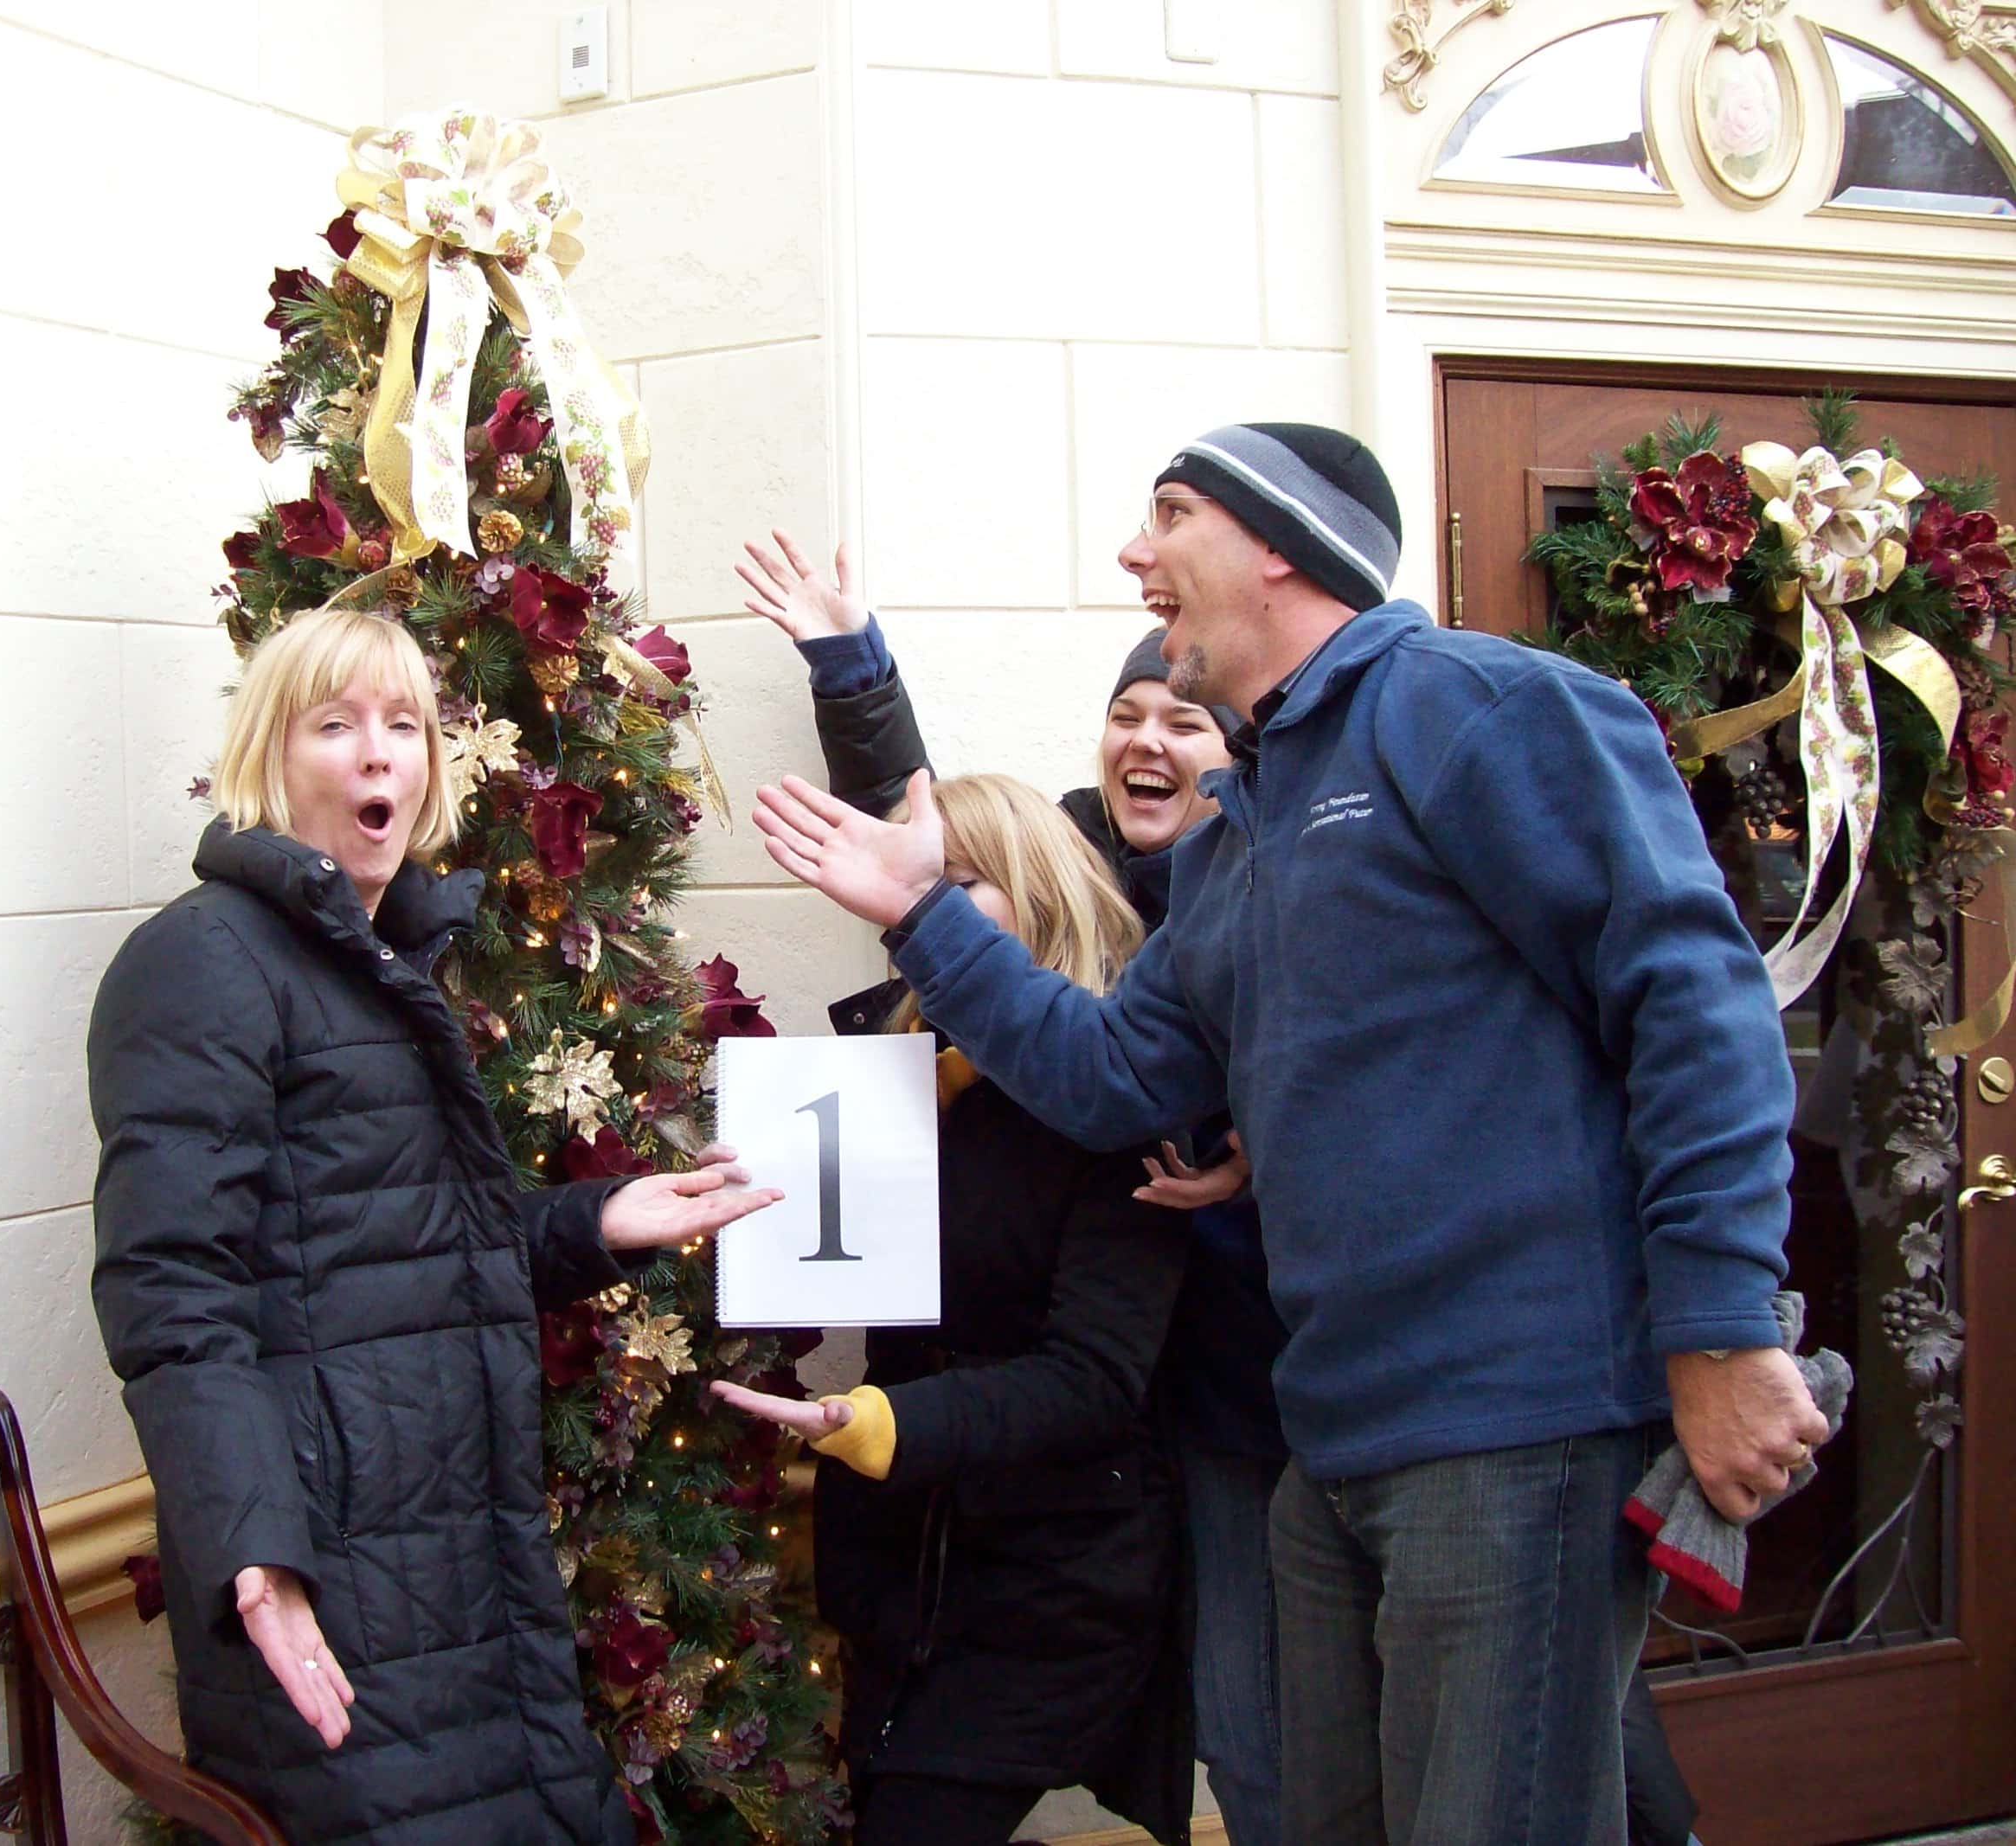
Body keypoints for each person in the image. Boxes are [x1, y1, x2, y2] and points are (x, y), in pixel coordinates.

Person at [748, 423, 1830, 1844]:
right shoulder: (1227, 835)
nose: (1135, 553)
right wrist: (923, 910)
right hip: (1329, 1436)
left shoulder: (1474, 708)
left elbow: (1694, 1008)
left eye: (1169, 514)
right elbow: (1108, 1071)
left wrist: (1717, 1329)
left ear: (1280, 543)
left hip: (1517, 1421)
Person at [87, 606, 780, 1845]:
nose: (379, 754)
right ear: (270, 753)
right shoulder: (200, 960)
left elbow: (390, 1259)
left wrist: (597, 1219)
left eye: (405, 724)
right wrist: (256, 1556)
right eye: (337, 723)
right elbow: (171, 1295)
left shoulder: (382, 958)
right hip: (333, 1563)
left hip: (457, 1551)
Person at [737, 530, 1287, 1843]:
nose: (1149, 740)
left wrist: (1259, 1139)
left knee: (1267, 1732)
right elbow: (916, 839)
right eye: (1126, 714)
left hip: (1231, 1399)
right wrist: (848, 661)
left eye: (1188, 719)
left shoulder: (1274, 884)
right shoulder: (942, 1028)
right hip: (971, 1505)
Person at [711, 772, 1196, 1846]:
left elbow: (1096, 1378)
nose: (914, 899)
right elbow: (837, 1275)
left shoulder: (1115, 1102)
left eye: (957, 881)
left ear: (1038, 896)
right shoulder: (900, 1084)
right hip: (899, 1570)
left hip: (1051, 1583)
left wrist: (884, 1425)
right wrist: (745, 1198)